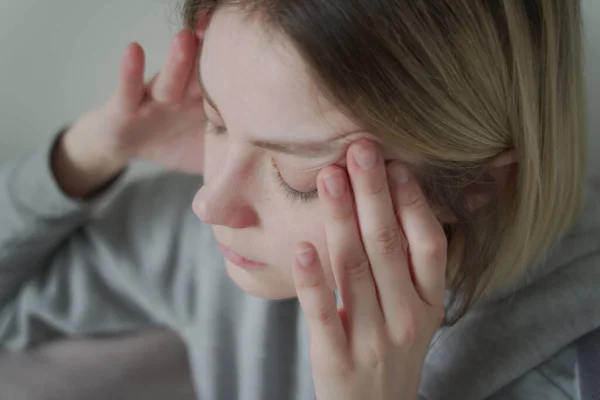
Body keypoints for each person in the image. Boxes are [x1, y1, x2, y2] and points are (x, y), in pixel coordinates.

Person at [1, 0, 599, 399]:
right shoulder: (214, 246)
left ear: (473, 184)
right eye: (214, 119)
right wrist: (87, 155)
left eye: (298, 174)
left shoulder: (570, 370)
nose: (210, 203)